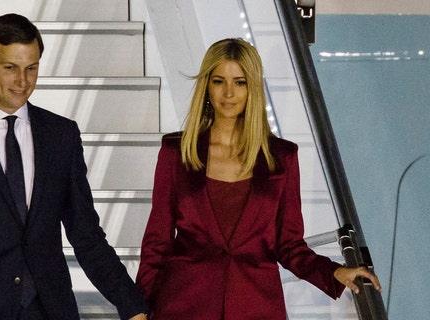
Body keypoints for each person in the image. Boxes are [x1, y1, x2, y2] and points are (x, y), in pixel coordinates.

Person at [0, 13, 147, 320]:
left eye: (31, 68)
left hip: (50, 310)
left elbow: (86, 234)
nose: (23, 81)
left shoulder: (62, 136)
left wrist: (132, 306)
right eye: (10, 68)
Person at [135, 38, 381, 319]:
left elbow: (288, 245)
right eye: (219, 81)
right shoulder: (176, 152)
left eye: (239, 82)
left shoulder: (282, 158)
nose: (229, 93)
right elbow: (157, 243)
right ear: (206, 86)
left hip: (256, 308)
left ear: (252, 87)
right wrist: (139, 309)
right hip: (183, 306)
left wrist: (334, 272)